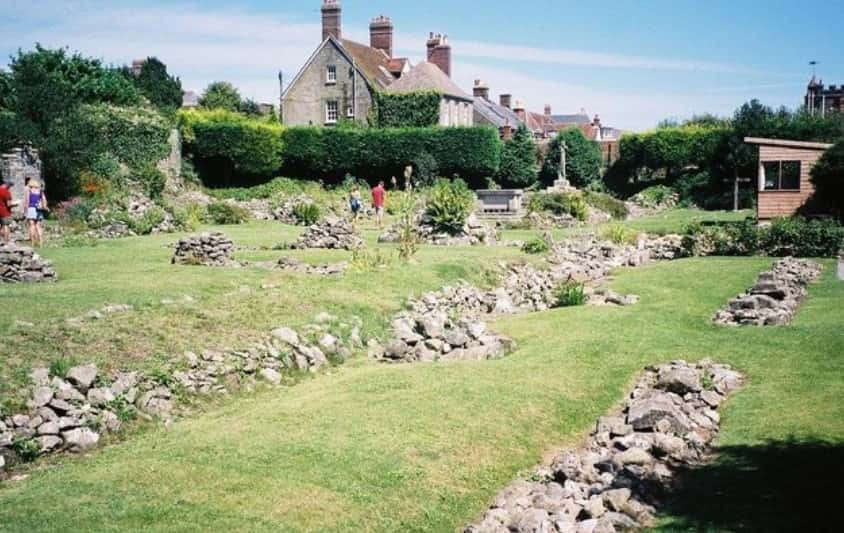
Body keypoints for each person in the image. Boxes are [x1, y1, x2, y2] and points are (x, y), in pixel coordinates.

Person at [25, 179, 48, 247]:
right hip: (38, 209)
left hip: (31, 208)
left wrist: (25, 210)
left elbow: (27, 201)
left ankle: (32, 243)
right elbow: (44, 200)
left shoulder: (29, 190)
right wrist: (44, 207)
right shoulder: (40, 191)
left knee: (32, 225)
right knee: (38, 226)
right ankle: (41, 243)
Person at [0, 178, 13, 244]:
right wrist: (15, 204)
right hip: (4, 211)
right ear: (8, 185)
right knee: (6, 225)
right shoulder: (6, 191)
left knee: (2, 225)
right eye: (10, 186)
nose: (10, 188)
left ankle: (1, 241)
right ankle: (6, 241)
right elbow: (8, 204)